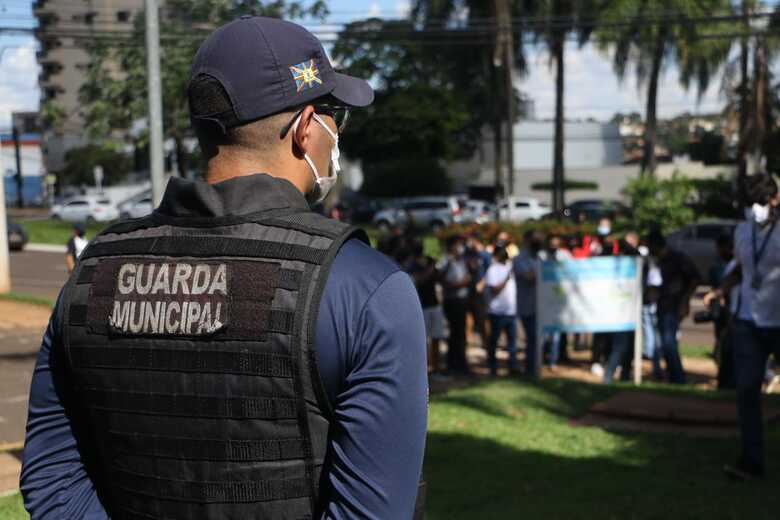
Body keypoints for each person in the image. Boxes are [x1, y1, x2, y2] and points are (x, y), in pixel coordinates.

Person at [21, 17, 428, 520]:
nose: (335, 133)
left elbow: (53, 480)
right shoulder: (367, 289)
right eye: (333, 115)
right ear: (305, 127)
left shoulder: (91, 273)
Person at [705, 173, 780, 480]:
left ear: (775, 199)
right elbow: (741, 271)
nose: (757, 208)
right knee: (747, 392)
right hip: (749, 321)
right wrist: (721, 289)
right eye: (752, 202)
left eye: (762, 201)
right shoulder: (741, 232)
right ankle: (751, 461)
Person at [647, 230, 701, 384]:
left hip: (673, 306)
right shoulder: (658, 262)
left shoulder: (678, 259)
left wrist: (685, 301)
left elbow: (695, 279)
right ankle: (673, 376)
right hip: (662, 306)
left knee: (669, 343)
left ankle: (678, 378)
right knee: (666, 344)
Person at [408, 240, 447, 376]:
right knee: (422, 341)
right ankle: (423, 370)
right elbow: (421, 280)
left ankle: (436, 367)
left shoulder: (430, 260)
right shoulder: (411, 265)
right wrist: (432, 267)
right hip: (421, 306)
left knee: (436, 338)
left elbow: (439, 278)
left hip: (434, 304)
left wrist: (439, 267)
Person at [440, 234, 471, 375]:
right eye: (457, 244)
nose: (459, 247)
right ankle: (452, 364)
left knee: (461, 333)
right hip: (451, 301)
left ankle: (462, 363)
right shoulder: (445, 260)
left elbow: (468, 278)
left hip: (462, 300)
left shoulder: (462, 260)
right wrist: (456, 285)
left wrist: (459, 284)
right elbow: (442, 279)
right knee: (454, 333)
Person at [513, 230, 543, 376]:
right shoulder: (519, 259)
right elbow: (529, 276)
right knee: (532, 338)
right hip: (527, 306)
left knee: (537, 339)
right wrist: (544, 272)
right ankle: (530, 370)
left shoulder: (539, 258)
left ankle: (535, 368)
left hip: (541, 306)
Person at [485, 244, 517, 375]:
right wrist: (506, 280)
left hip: (511, 312)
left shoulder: (511, 268)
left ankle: (512, 368)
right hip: (497, 312)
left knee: (512, 343)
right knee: (494, 342)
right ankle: (493, 368)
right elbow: (493, 289)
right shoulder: (492, 269)